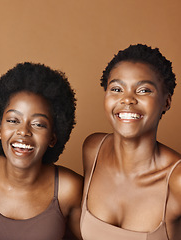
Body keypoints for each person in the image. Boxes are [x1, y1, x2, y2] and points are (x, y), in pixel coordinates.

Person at [0, 62, 83, 240]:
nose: (23, 131)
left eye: (38, 124)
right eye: (13, 120)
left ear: (53, 137)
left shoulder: (69, 188)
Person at [80, 44, 181, 240]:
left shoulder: (177, 180)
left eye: (143, 90)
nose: (127, 99)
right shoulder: (93, 149)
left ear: (166, 102)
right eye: (117, 88)